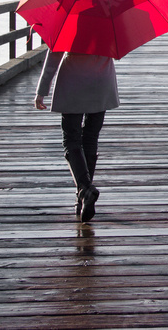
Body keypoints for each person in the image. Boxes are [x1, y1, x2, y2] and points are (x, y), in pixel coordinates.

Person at [34, 49, 119, 222]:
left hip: (73, 80)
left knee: (71, 139)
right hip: (101, 79)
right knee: (91, 138)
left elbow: (54, 54)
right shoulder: (108, 21)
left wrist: (42, 90)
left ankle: (85, 189)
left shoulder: (69, 23)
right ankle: (83, 196)